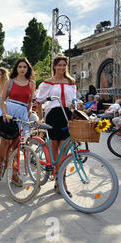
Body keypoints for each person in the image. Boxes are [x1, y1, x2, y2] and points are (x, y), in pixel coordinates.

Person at [0, 57, 36, 186]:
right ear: (16, 68)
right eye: (20, 67)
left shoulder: (32, 83)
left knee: (17, 144)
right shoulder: (10, 82)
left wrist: (29, 112)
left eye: (24, 67)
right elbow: (3, 100)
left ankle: (15, 174)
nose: (22, 69)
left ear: (28, 69)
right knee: (6, 140)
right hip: (8, 110)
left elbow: (30, 101)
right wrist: (4, 113)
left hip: (22, 113)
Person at [36, 53, 77, 196]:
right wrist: (40, 119)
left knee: (65, 149)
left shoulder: (71, 82)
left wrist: (78, 106)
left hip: (67, 115)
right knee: (54, 147)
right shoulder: (48, 82)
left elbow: (74, 100)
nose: (62, 67)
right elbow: (39, 100)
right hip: (53, 115)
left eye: (64, 65)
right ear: (54, 66)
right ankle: (58, 180)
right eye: (59, 65)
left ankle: (61, 181)